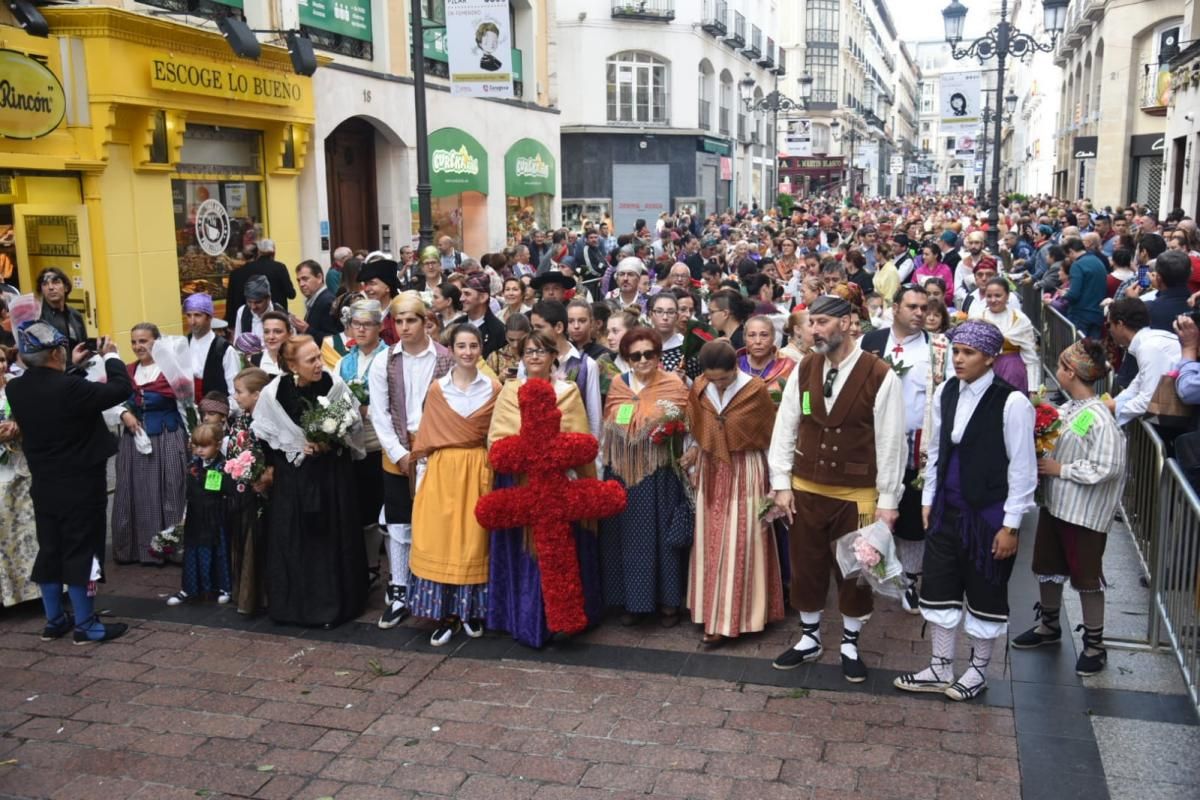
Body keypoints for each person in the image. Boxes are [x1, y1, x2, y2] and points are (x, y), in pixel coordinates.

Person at [895, 320, 1036, 701]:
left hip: (988, 513)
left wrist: (1011, 525)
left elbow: (1023, 468)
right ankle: (940, 666)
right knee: (940, 586)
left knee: (984, 590)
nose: (959, 359)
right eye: (956, 351)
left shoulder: (1013, 402)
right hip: (947, 508)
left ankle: (977, 671)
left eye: (968, 353)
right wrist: (928, 500)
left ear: (990, 358)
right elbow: (939, 449)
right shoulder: (946, 392)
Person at [767, 294, 906, 683]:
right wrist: (781, 483)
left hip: (857, 492)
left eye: (823, 322)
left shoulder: (880, 374)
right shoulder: (805, 367)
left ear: (846, 323)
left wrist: (888, 501)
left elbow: (892, 442)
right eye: (811, 323)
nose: (815, 330)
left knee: (855, 571)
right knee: (807, 564)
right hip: (806, 488)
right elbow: (786, 424)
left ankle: (849, 642)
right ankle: (809, 638)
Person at [6, 323, 131, 644]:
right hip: (81, 482)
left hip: (45, 483)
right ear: (55, 353)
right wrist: (112, 358)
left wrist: (73, 367)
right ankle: (87, 624)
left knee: (50, 549)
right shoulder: (69, 389)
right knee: (82, 550)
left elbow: (55, 390)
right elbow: (119, 389)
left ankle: (55, 620)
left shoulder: (15, 389)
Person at [1011, 339, 1124, 676]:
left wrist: (1062, 470)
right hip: (1058, 505)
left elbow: (1109, 466)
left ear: (1071, 372)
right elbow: (1064, 434)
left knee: (1087, 576)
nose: (1057, 371)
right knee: (1048, 565)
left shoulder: (1099, 418)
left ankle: (1094, 643)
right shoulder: (1077, 409)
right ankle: (1049, 624)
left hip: (1084, 514)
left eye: (1060, 366)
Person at [486, 331, 603, 647]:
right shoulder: (510, 392)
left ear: (554, 355)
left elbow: (581, 440)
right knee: (525, 556)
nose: (535, 356)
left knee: (558, 555)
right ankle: (523, 618)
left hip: (560, 484)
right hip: (521, 484)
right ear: (521, 357)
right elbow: (496, 440)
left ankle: (561, 621)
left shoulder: (568, 392)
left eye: (541, 350)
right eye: (528, 351)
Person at [252, 335, 368, 627]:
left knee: (331, 538)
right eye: (311, 360)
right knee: (297, 540)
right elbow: (266, 435)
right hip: (294, 480)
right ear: (292, 365)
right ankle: (294, 606)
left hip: (331, 477)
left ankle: (335, 605)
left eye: (319, 357)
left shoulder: (333, 385)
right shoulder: (273, 393)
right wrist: (288, 453)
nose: (319, 364)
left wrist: (330, 443)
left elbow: (353, 426)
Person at [683, 340, 785, 645]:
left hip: (747, 468)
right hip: (711, 467)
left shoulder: (755, 390)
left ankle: (737, 618)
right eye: (713, 378)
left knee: (743, 539)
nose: (719, 384)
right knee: (709, 540)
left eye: (724, 379)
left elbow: (770, 438)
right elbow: (696, 429)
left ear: (734, 369)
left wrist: (777, 484)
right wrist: (691, 461)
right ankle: (709, 612)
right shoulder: (700, 388)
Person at [860, 284, 951, 612]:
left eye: (924, 308)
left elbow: (948, 394)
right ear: (894, 307)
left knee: (912, 518)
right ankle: (869, 570)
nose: (920, 313)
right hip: (871, 443)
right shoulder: (870, 342)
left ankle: (910, 579)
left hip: (916, 448)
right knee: (871, 510)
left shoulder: (939, 348)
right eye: (912, 306)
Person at [409, 325, 501, 645]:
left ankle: (471, 611)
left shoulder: (494, 388)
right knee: (442, 540)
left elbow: (497, 434)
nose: (467, 352)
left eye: (473, 345)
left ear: (481, 349)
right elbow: (427, 438)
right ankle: (445, 614)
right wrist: (421, 484)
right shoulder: (437, 390)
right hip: (442, 471)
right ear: (452, 349)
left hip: (478, 469)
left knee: (474, 542)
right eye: (461, 346)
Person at [368, 292, 455, 628]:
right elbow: (380, 413)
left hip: (436, 450)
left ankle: (431, 585)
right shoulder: (384, 360)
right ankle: (400, 588)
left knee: (434, 522)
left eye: (411, 320)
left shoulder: (445, 358)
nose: (404, 327)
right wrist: (400, 454)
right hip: (398, 450)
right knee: (400, 523)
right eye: (398, 321)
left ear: (425, 322)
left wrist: (431, 450)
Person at [600, 327, 692, 627]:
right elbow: (610, 419)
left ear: (658, 355)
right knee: (626, 539)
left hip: (659, 473)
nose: (642, 360)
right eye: (635, 355)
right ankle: (631, 602)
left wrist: (666, 427)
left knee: (662, 541)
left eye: (649, 354)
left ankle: (668, 603)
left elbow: (685, 420)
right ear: (626, 358)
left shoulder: (673, 384)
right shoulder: (618, 383)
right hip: (623, 472)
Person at [111, 323, 188, 565]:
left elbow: (187, 405)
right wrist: (124, 414)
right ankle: (140, 549)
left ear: (157, 341)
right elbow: (112, 399)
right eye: (134, 342)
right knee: (137, 491)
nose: (137, 346)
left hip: (167, 436)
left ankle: (173, 548)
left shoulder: (170, 371)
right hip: (134, 441)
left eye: (143, 341)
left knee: (171, 488)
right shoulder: (127, 371)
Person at [335, 298, 388, 585]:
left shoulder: (389, 357)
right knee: (356, 506)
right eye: (357, 324)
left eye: (368, 324)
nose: (362, 329)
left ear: (379, 326)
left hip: (377, 442)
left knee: (376, 505)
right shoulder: (345, 361)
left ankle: (376, 565)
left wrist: (368, 409)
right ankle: (361, 563)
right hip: (350, 441)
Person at [166, 422, 233, 606]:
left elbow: (225, 490)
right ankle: (190, 588)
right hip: (195, 514)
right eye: (197, 446)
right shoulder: (192, 464)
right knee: (193, 551)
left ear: (218, 444)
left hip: (215, 515)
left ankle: (223, 587)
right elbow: (188, 492)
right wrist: (185, 514)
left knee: (217, 551)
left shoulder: (223, 465)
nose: (200, 451)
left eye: (205, 446)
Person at [225, 367, 272, 615]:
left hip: (261, 490)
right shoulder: (242, 418)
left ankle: (263, 594)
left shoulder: (266, 420)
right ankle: (245, 593)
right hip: (241, 488)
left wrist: (263, 474)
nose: (235, 396)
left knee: (259, 540)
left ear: (257, 395)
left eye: (240, 392)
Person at [0, 345, 39, 608]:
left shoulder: (16, 386)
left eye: (2, 360)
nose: (0, 366)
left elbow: (41, 418)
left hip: (23, 465)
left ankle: (34, 591)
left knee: (30, 528)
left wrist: (21, 426)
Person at [1106, 297, 1182, 427]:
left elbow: (1148, 399)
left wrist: (1115, 406)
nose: (1109, 330)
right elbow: (1137, 385)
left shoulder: (1149, 347)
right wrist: (1114, 403)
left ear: (1119, 324)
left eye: (1109, 325)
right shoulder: (1148, 341)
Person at [967, 278, 1040, 395]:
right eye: (989, 296)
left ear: (1007, 296)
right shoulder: (978, 318)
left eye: (998, 295)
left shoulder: (1020, 319)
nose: (993, 300)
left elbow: (1030, 356)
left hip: (1013, 372)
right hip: (984, 372)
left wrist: (1033, 388)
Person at [185, 294, 240, 404]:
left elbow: (235, 392)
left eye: (197, 315)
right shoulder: (183, 344)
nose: (192, 321)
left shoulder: (225, 350)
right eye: (188, 315)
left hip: (216, 413)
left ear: (209, 317)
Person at [225, 239, 295, 325]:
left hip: (249, 319)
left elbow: (232, 301)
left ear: (259, 252)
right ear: (273, 253)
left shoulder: (241, 272)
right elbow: (291, 294)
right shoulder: (279, 268)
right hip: (276, 318)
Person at [737, 315, 795, 404]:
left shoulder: (788, 365)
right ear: (745, 339)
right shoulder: (734, 364)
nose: (758, 341)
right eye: (751, 335)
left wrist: (807, 414)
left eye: (764, 335)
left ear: (773, 337)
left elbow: (806, 396)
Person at [1061, 238, 1107, 338]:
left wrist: (1065, 294)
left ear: (1071, 252)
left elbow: (1074, 294)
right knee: (1093, 351)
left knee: (1077, 350)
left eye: (1068, 255)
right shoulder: (1098, 261)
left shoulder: (1077, 265)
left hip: (1080, 314)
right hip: (1097, 313)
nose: (1069, 259)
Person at [453, 273, 506, 358]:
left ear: (483, 297)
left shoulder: (498, 330)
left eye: (467, 294)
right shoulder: (456, 325)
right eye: (461, 294)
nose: (461, 299)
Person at [36, 267, 86, 352]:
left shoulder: (75, 315)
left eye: (56, 282)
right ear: (41, 290)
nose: (51, 287)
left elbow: (84, 346)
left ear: (66, 287)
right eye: (45, 284)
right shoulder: (37, 317)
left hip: (78, 363)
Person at [294, 260, 342, 346]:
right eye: (298, 280)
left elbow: (336, 341)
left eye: (305, 279)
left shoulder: (327, 302)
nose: (301, 284)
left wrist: (307, 330)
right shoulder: (317, 299)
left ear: (319, 278)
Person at [358, 259, 403, 345]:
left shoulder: (400, 311)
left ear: (388, 287)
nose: (367, 289)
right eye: (366, 284)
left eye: (372, 283)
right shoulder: (364, 312)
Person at [232, 275, 286, 341]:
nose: (253, 307)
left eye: (258, 302)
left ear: (268, 298)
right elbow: (238, 340)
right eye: (249, 302)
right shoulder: (242, 312)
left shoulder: (280, 313)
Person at [487, 313, 531, 385]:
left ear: (529, 333)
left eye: (520, 340)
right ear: (505, 334)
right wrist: (500, 379)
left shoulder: (536, 356)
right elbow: (485, 388)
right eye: (511, 339)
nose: (515, 345)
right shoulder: (495, 357)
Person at [251, 310, 291, 376]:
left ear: (289, 334)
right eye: (266, 332)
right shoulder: (254, 361)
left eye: (277, 332)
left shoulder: (297, 360)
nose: (271, 337)